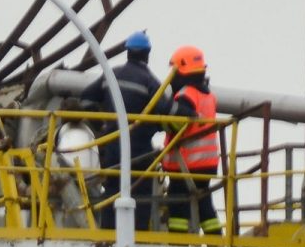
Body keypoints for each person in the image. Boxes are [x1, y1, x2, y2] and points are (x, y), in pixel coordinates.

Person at [76, 30, 165, 233]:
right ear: (147, 53)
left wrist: (99, 125)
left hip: (113, 147)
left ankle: (108, 232)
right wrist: (157, 126)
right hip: (139, 149)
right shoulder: (149, 81)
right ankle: (139, 234)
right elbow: (166, 109)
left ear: (127, 52)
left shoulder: (112, 75)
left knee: (112, 190)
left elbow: (86, 97)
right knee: (140, 194)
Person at [161, 44, 222, 236]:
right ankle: (215, 238)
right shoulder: (209, 95)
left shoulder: (186, 94)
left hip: (186, 164)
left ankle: (178, 242)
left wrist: (162, 123)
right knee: (204, 201)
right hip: (208, 164)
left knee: (178, 203)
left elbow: (180, 122)